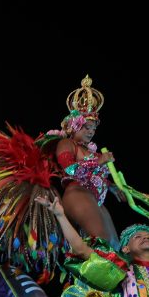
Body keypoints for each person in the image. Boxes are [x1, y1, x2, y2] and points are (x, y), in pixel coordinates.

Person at [49, 75, 118, 247]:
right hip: (77, 194)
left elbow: (95, 176)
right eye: (86, 127)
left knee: (115, 247)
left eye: (93, 128)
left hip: (95, 200)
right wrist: (98, 162)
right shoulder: (66, 143)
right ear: (74, 126)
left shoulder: (90, 150)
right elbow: (70, 170)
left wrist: (112, 187)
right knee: (102, 244)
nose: (91, 132)